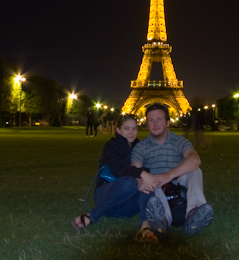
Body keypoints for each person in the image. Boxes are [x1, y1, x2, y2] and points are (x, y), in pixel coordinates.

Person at [72, 114, 161, 243]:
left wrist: (146, 177)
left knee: (147, 184)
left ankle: (145, 226)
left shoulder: (140, 147)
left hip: (127, 209)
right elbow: (118, 170)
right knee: (130, 182)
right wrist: (140, 174)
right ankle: (92, 216)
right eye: (127, 128)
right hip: (106, 198)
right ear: (118, 130)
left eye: (134, 128)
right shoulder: (111, 146)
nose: (131, 132)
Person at [130, 103, 213, 237]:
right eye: (151, 120)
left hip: (178, 183)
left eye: (159, 119)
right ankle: (162, 221)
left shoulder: (179, 141)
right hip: (157, 186)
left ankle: (193, 213)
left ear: (168, 123)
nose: (155, 124)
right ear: (147, 124)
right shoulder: (140, 147)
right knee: (147, 181)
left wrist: (169, 175)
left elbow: (195, 160)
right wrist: (141, 182)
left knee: (195, 171)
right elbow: (135, 169)